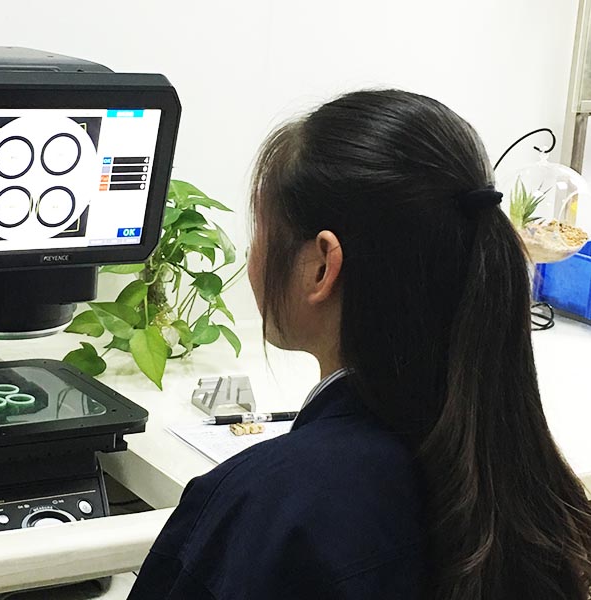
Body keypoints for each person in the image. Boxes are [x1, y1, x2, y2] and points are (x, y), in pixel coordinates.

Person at [128, 90, 591, 599]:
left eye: (260, 232)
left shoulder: (262, 508)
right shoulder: (536, 487)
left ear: (322, 267)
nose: (252, 253)